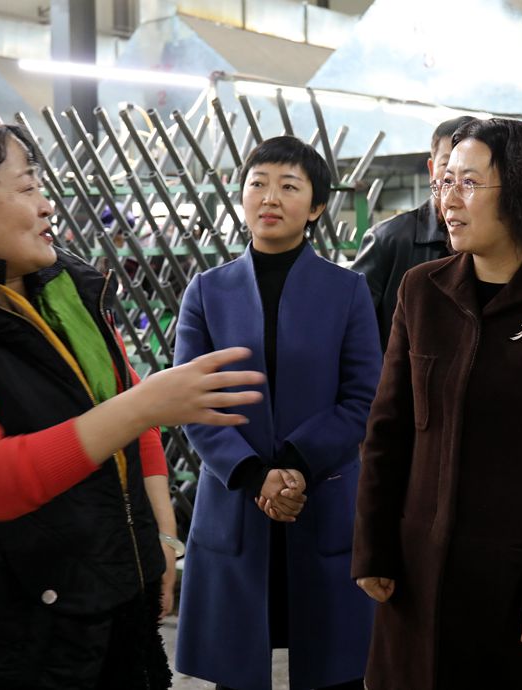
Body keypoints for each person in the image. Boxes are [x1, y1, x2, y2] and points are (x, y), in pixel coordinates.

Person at [0, 107, 266, 690]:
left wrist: (160, 535)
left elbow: (128, 409)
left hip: (102, 601)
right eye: (26, 187)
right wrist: (146, 405)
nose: (47, 206)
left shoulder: (63, 295)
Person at [352, 118, 522, 689]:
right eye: (445, 182)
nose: (449, 200)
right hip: (418, 577)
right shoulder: (421, 290)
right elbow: (388, 432)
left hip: (521, 586)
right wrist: (374, 549)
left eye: (469, 183)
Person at [173, 135, 382, 690]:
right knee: (237, 672)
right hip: (237, 498)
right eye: (258, 184)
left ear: (316, 207)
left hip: (320, 495)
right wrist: (255, 474)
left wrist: (293, 465)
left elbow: (363, 398)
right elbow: (192, 401)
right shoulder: (206, 292)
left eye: (289, 186)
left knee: (335, 672)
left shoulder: (347, 291)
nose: (269, 197)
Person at [351, 115, 474, 350]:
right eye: (447, 166)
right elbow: (350, 331)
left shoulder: (490, 244)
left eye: (468, 170)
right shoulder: (387, 240)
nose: (456, 180)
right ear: (432, 169)